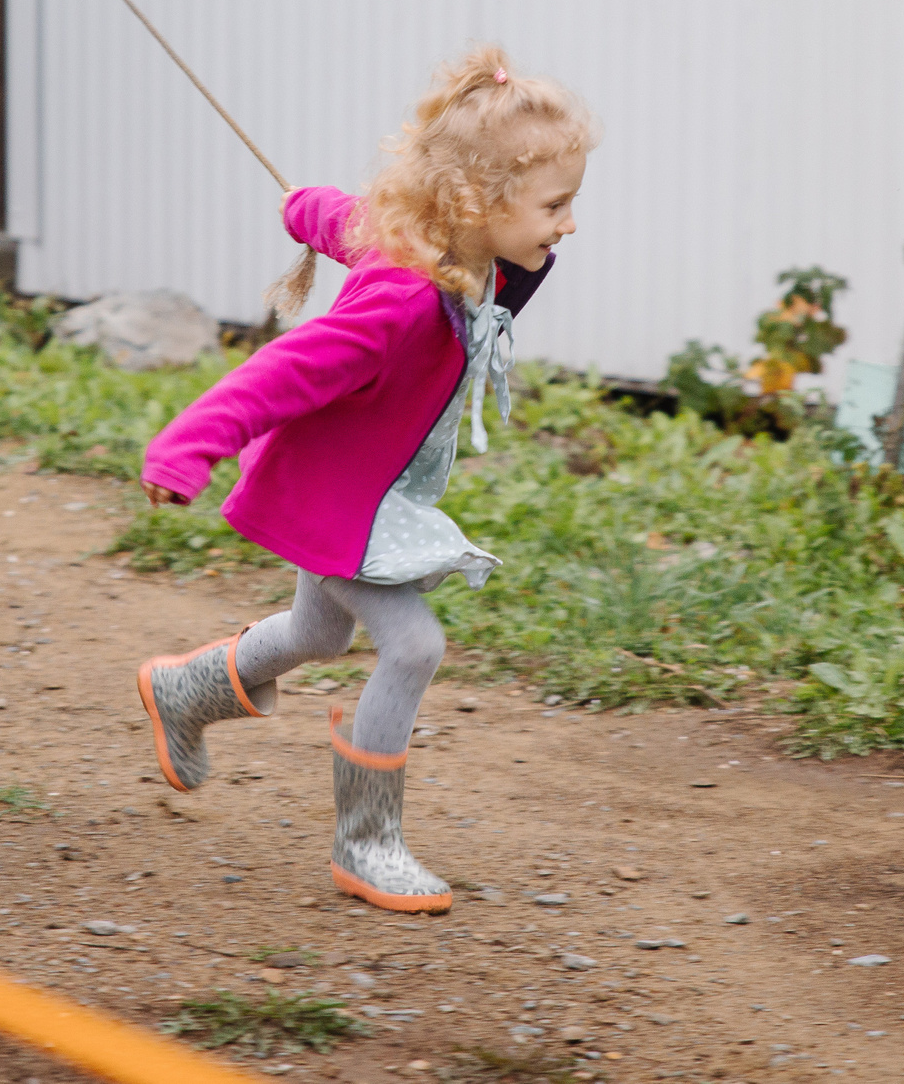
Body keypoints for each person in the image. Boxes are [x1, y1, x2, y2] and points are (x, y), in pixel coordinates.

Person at [132, 47, 598, 912]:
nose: (570, 223)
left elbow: (345, 219)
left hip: (379, 488)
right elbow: (274, 376)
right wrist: (183, 451)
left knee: (317, 632)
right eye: (556, 204)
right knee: (414, 644)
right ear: (476, 204)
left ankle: (182, 688)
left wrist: (300, 209)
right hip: (344, 498)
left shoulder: (442, 243)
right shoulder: (400, 302)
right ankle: (367, 842)